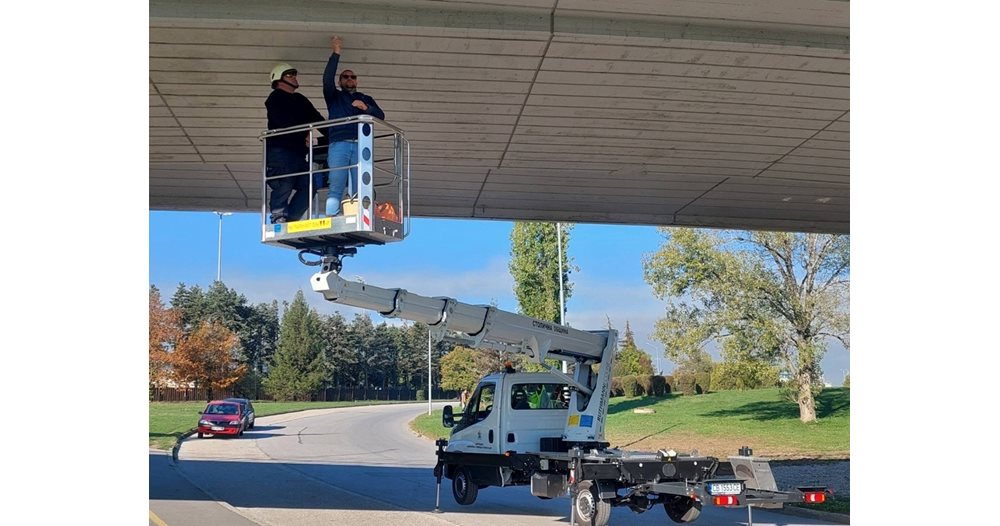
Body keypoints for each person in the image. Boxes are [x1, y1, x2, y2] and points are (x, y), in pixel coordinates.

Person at [323, 35, 385, 216]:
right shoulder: (334, 96)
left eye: (353, 77)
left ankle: (357, 217)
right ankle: (332, 218)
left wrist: (366, 107)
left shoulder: (366, 98)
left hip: (361, 145)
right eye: (345, 76)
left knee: (360, 186)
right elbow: (327, 80)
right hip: (339, 144)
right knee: (336, 184)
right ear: (340, 81)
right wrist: (336, 53)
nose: (350, 79)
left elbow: (381, 115)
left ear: (356, 81)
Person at [264, 62, 326, 223]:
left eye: (294, 74)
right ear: (279, 80)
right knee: (284, 183)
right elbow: (284, 121)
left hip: (297, 154)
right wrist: (305, 131)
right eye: (290, 75)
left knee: (309, 185)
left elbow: (317, 119)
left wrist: (335, 136)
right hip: (280, 152)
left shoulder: (300, 99)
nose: (295, 77)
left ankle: (290, 220)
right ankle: (279, 218)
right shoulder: (275, 98)